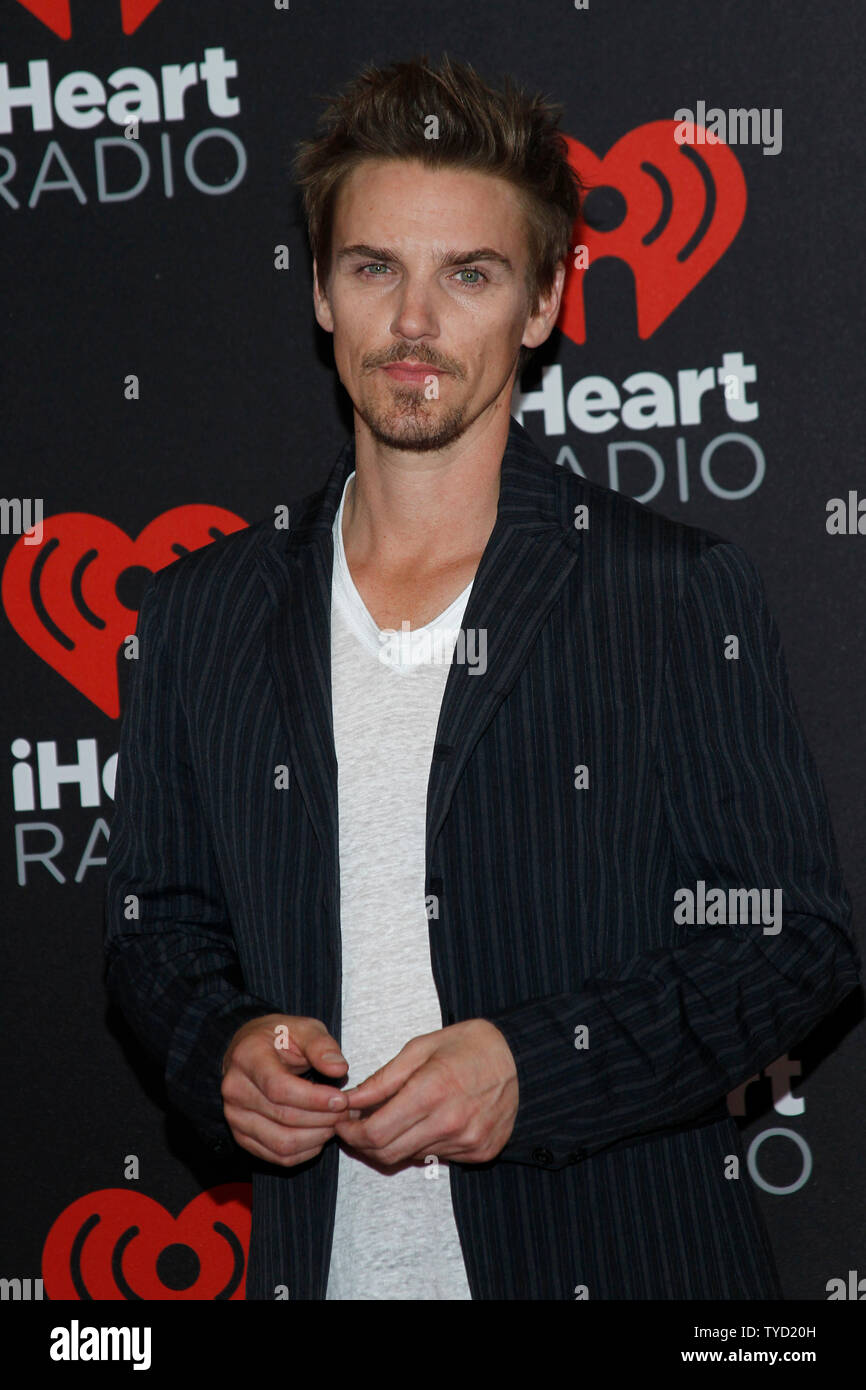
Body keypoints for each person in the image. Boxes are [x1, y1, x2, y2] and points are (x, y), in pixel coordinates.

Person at [104, 53, 860, 1300]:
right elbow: (155, 929)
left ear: (543, 302)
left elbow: (794, 943)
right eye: (373, 268)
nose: (413, 321)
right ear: (319, 293)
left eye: (468, 273)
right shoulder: (200, 614)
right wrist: (219, 1043)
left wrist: (533, 1065)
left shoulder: (668, 595)